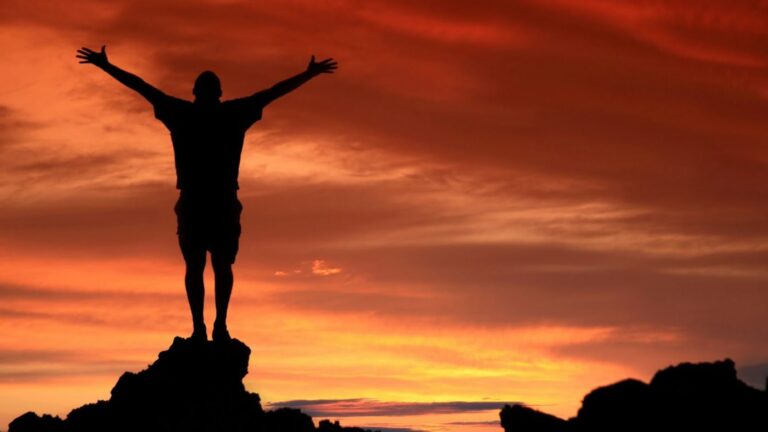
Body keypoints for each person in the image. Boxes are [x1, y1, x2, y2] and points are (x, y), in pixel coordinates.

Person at [76, 45, 338, 342]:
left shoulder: (182, 113)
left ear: (194, 92)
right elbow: (273, 92)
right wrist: (308, 74)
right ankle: (217, 327)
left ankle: (202, 328)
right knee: (220, 266)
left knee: (196, 267)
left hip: (196, 201)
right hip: (220, 201)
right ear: (220, 93)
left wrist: (106, 66)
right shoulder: (233, 113)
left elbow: (142, 87)